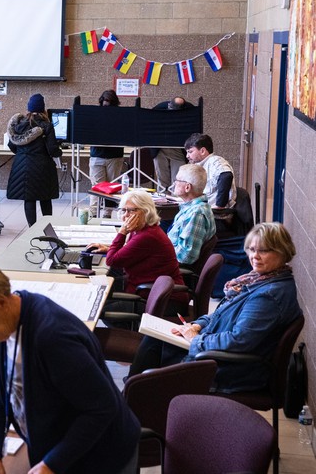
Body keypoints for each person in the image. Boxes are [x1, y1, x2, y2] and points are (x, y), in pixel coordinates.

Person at [0, 259, 140, 474]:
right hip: (62, 448)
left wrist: (52, 463)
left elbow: (102, 408)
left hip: (101, 456)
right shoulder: (3, 330)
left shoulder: (52, 337)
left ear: (1, 303)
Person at [130, 222, 302, 393]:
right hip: (221, 357)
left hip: (232, 370)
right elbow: (222, 313)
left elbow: (238, 340)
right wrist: (198, 325)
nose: (254, 256)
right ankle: (134, 400)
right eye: (251, 249)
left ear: (282, 252)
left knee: (152, 359)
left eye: (263, 250)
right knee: (155, 340)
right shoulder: (259, 280)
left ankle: (136, 400)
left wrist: (195, 340)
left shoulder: (268, 296)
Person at [86, 191, 187, 323]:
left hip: (163, 301)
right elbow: (130, 249)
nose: (125, 216)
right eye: (123, 210)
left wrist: (122, 232)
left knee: (99, 309)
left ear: (145, 212)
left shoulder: (147, 236)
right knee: (101, 298)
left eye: (131, 211)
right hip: (148, 291)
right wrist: (109, 248)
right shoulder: (145, 230)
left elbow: (112, 261)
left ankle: (128, 337)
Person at [6, 94, 61, 227]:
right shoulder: (46, 125)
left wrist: (23, 155)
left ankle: (32, 229)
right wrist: (60, 151)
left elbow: (12, 145)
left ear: (29, 108)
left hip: (23, 167)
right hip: (43, 168)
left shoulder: (19, 125)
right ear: (43, 109)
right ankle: (47, 228)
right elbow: (52, 149)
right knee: (45, 198)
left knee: (29, 199)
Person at [167, 164, 217, 265]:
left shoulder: (196, 213)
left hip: (173, 268)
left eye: (177, 180)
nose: (174, 183)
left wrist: (158, 254)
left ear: (187, 187)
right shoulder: (190, 207)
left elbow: (186, 257)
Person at [89, 91, 125, 218]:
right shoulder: (95, 115)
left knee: (111, 187)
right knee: (96, 187)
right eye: (105, 107)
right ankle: (93, 214)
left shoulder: (121, 116)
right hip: (98, 155)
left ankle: (107, 214)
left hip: (114, 156)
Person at [185, 132, 236, 209]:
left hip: (215, 213)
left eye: (190, 152)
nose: (187, 156)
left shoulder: (215, 161)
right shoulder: (198, 165)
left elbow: (226, 176)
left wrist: (219, 206)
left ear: (202, 151)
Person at [149, 97, 191, 190]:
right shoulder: (159, 109)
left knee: (178, 178)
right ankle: (162, 201)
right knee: (162, 179)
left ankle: (175, 201)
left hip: (178, 149)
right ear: (169, 105)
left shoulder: (190, 110)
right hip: (160, 148)